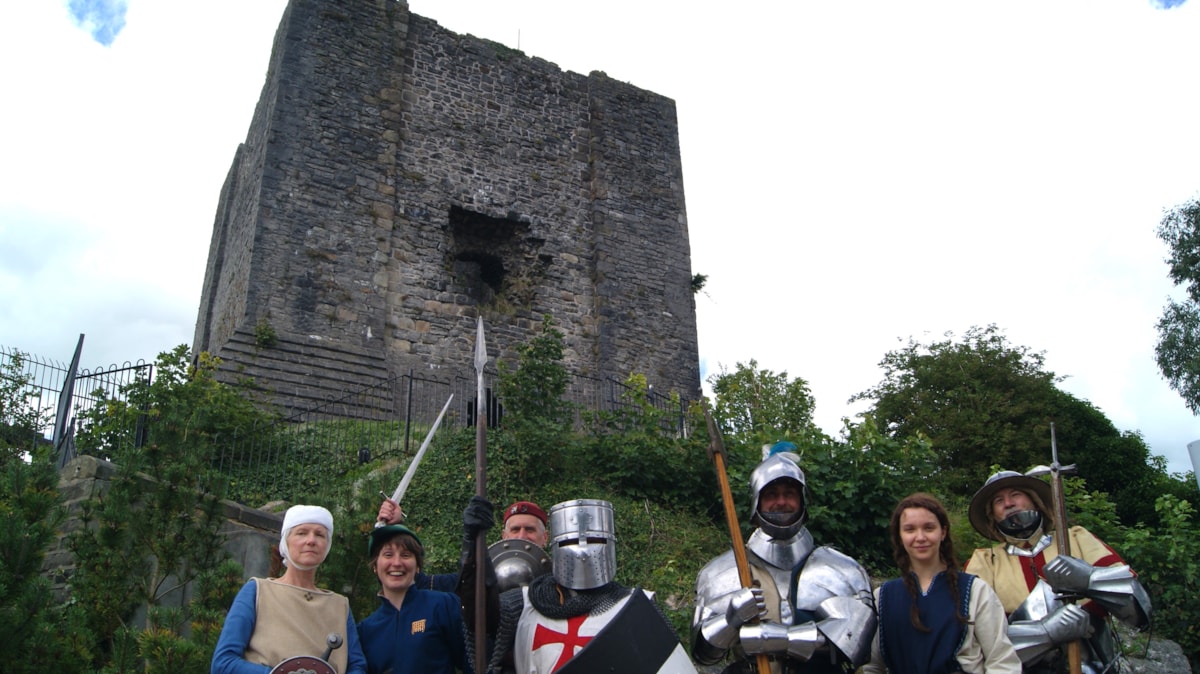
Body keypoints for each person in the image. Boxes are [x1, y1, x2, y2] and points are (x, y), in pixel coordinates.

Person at [691, 442, 876, 674]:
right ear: (757, 501)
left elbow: (857, 643)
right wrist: (731, 619)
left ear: (802, 501)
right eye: (771, 494)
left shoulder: (842, 568)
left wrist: (781, 639)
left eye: (789, 493)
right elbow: (703, 654)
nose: (781, 502)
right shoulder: (721, 572)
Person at [467, 498, 696, 674]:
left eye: (596, 541)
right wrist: (472, 550)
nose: (584, 552)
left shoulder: (635, 606)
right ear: (557, 545)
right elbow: (479, 617)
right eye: (570, 542)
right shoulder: (525, 602)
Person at [964, 470, 1152, 673]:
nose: (1008, 503)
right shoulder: (984, 561)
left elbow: (1139, 610)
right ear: (993, 514)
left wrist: (1090, 579)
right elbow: (974, 635)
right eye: (998, 500)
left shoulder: (1075, 539)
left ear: (1035, 501)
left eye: (1016, 494)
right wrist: (1044, 632)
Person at [863, 493, 1020, 674]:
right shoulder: (882, 597)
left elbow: (1001, 662)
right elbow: (873, 667)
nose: (920, 537)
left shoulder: (975, 591)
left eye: (929, 528)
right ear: (899, 536)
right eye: (910, 529)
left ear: (943, 532)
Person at [212, 505, 368, 674]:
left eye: (320, 534)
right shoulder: (258, 591)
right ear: (286, 541)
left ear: (327, 545)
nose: (311, 540)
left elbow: (357, 666)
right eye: (302, 533)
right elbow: (223, 663)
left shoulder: (340, 605)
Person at [357, 524, 467, 674]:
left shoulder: (442, 605)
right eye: (388, 555)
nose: (396, 563)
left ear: (417, 567)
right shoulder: (366, 630)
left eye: (406, 555)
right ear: (375, 566)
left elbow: (474, 662)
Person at [377, 497, 549, 592]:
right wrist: (395, 527)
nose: (521, 536)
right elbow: (415, 582)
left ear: (545, 537)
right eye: (515, 529)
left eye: (530, 530)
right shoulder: (475, 580)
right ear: (504, 536)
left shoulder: (560, 580)